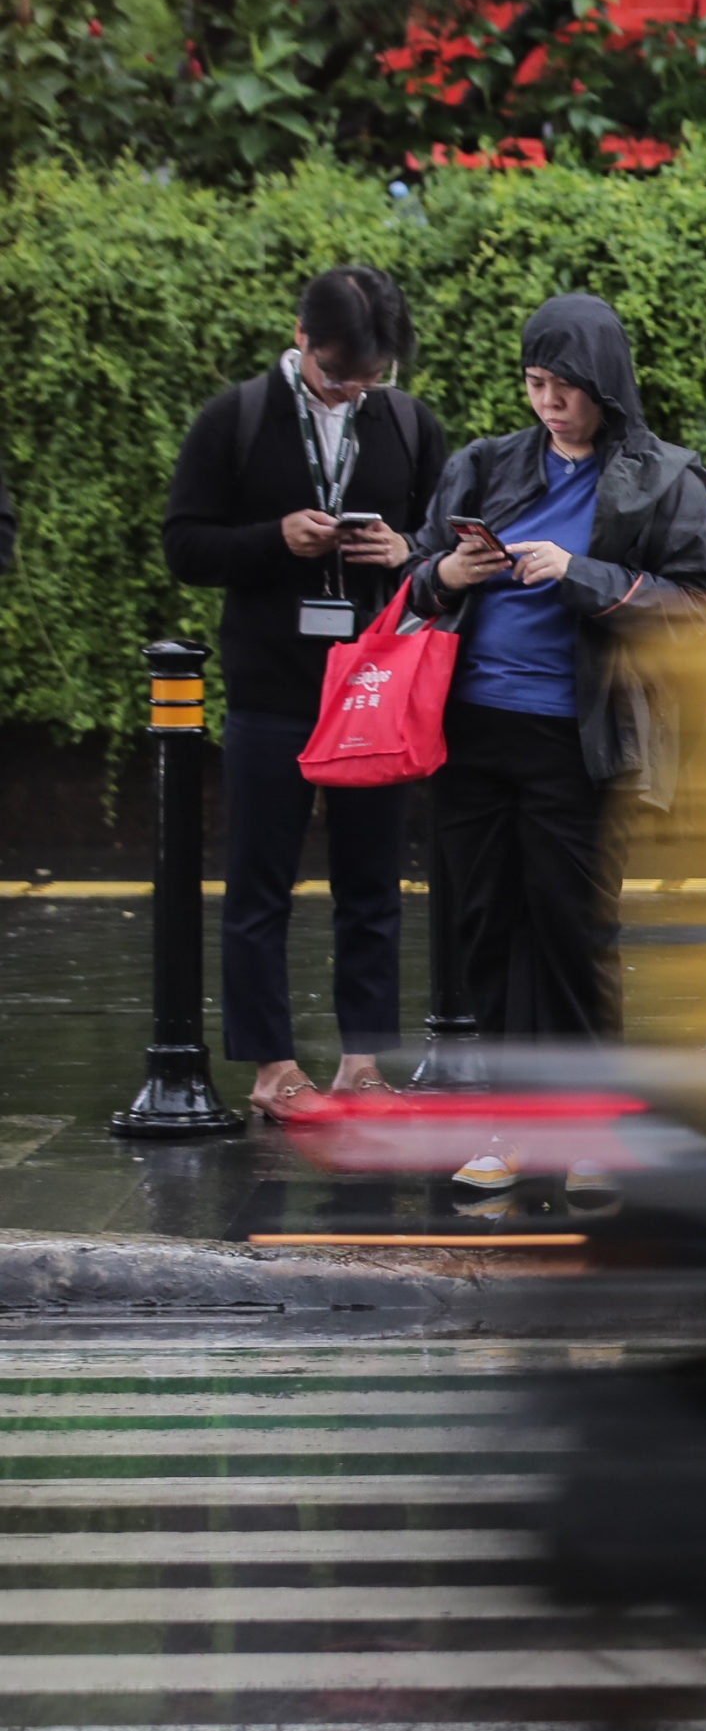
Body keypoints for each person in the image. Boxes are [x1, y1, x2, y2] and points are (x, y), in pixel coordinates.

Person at [403, 294, 706, 1045]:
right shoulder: (484, 465)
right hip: (471, 732)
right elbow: (410, 582)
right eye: (533, 383)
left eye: (566, 385)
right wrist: (451, 573)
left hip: (579, 740)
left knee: (572, 932)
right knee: (485, 931)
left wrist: (578, 574)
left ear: (605, 382)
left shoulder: (662, 478)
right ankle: (513, 1121)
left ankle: (590, 1122)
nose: (549, 403)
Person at [161, 267, 449, 1121]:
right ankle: (272, 1069)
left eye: (371, 374)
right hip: (272, 684)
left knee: (373, 884)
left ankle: (363, 1064)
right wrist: (274, 539)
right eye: (338, 374)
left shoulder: (405, 422)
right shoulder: (236, 419)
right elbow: (185, 544)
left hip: (376, 683)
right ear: (301, 339)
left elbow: (444, 535)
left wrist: (405, 550)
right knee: (260, 885)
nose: (354, 388)